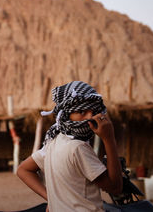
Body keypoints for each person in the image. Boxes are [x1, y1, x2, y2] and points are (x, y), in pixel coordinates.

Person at [17, 81, 122, 212]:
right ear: (66, 114)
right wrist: (109, 139)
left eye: (93, 111)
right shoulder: (78, 148)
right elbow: (115, 187)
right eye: (81, 111)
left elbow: (23, 170)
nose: (89, 117)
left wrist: (52, 199)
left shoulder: (54, 142)